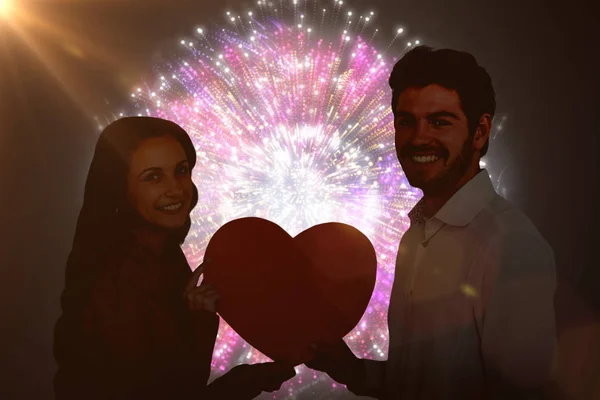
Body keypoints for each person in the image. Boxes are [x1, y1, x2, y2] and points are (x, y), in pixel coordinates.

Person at [307, 46, 557, 399]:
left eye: (440, 122)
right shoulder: (417, 234)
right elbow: (422, 379)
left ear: (480, 131)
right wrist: (353, 370)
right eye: (406, 121)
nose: (418, 138)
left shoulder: (510, 245)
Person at [54, 117, 295, 399]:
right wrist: (202, 327)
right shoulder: (118, 281)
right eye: (153, 177)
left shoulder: (162, 255)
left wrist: (247, 379)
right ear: (119, 188)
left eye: (181, 171)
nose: (176, 189)